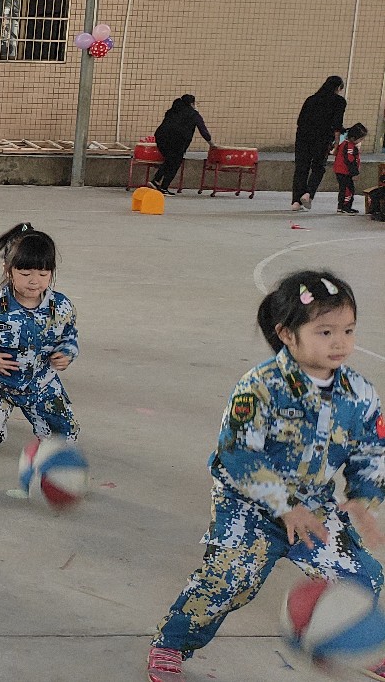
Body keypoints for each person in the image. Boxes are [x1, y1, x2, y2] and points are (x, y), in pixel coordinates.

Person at [147, 271, 385, 682]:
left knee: (363, 577)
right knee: (229, 578)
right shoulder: (259, 387)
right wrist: (283, 505)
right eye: (325, 331)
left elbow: (371, 452)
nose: (340, 342)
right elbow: (238, 453)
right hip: (249, 505)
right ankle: (171, 642)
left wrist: (365, 500)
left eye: (348, 330)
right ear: (287, 334)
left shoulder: (360, 394)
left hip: (313, 506)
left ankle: (345, 640)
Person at [0, 224, 79, 502]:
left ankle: (57, 475)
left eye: (43, 274)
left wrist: (67, 352)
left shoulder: (61, 307)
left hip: (40, 381)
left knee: (64, 430)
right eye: (25, 273)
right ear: (8, 270)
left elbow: (70, 335)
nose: (34, 281)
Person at [292, 76, 348, 211]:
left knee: (301, 168)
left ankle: (296, 202)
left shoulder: (311, 99)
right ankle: (308, 194)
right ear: (338, 88)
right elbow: (337, 124)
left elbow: (300, 120)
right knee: (318, 167)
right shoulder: (339, 101)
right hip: (322, 138)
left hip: (303, 137)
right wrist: (336, 143)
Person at [150, 95, 212, 194]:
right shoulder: (193, 114)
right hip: (177, 141)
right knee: (175, 163)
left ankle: (156, 180)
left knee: (170, 160)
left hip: (161, 138)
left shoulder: (172, 111)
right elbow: (203, 131)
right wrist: (211, 144)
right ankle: (163, 187)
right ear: (191, 104)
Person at [335, 122, 368, 214]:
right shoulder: (349, 146)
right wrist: (354, 173)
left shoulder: (347, 144)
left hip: (343, 171)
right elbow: (350, 161)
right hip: (344, 172)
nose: (361, 141)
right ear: (353, 138)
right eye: (360, 139)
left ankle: (344, 206)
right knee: (347, 190)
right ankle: (344, 207)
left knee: (346, 189)